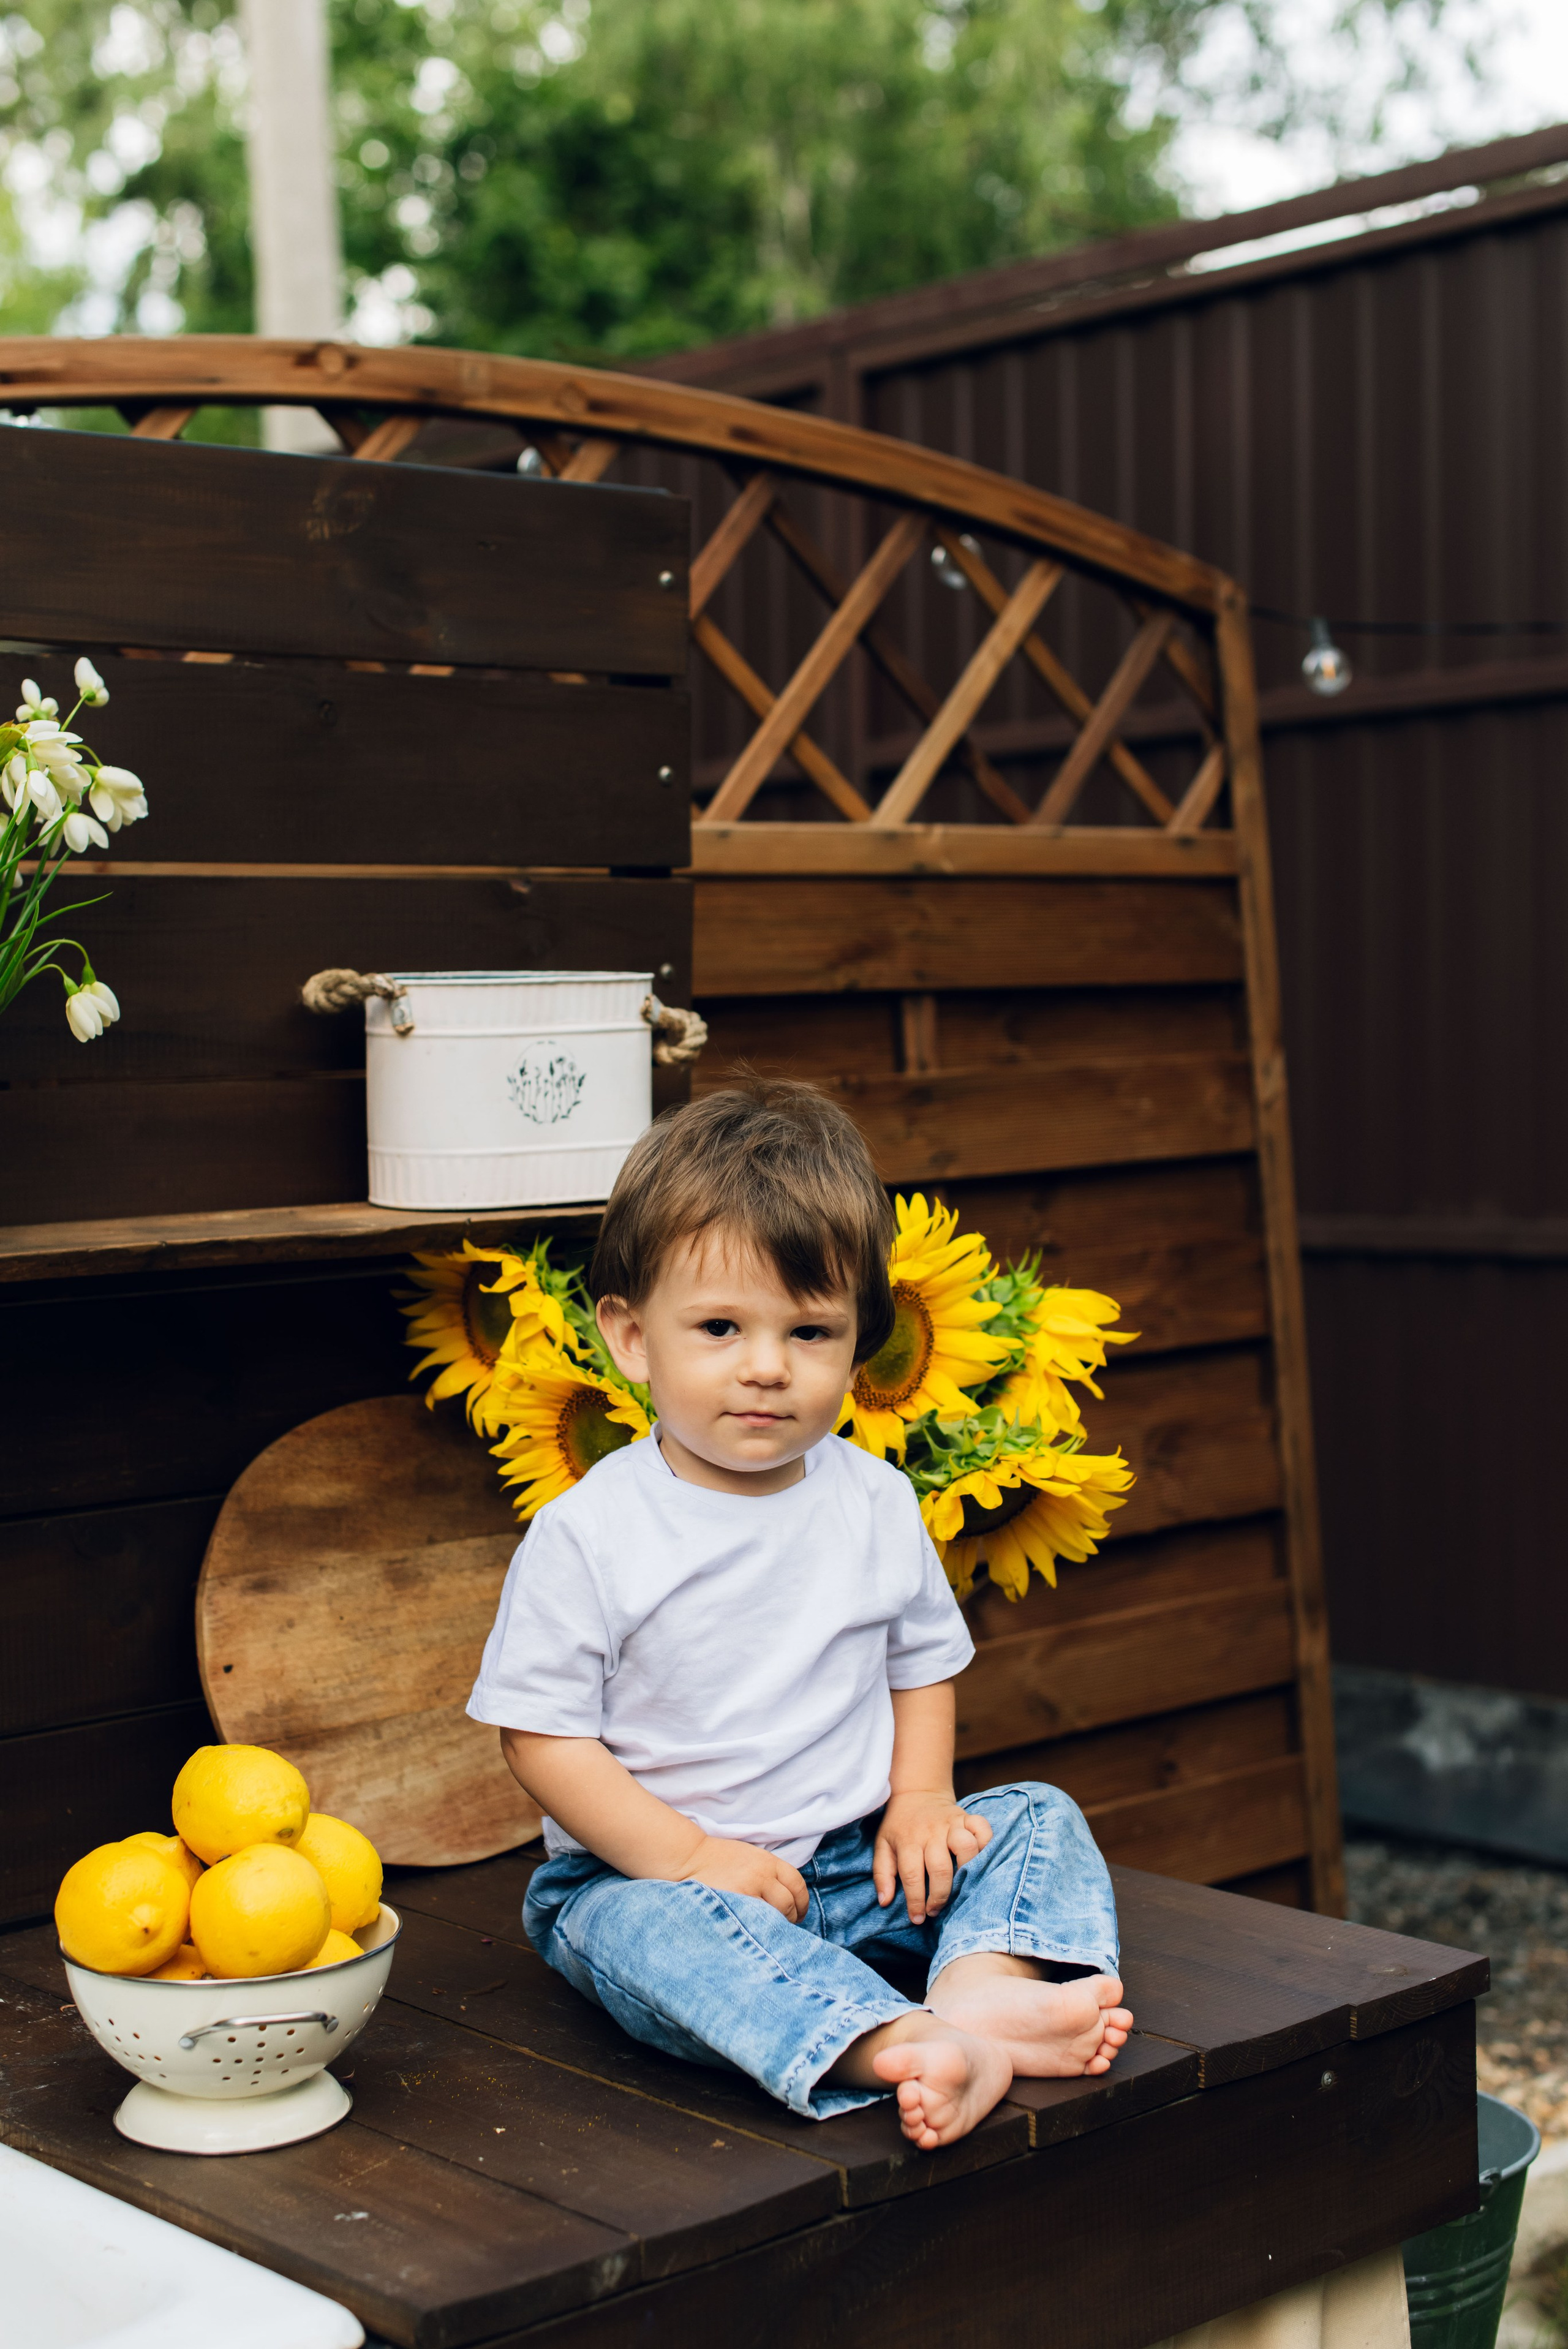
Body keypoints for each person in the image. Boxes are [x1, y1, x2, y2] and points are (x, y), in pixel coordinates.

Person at [468, 1080, 1133, 2149]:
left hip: (862, 1861)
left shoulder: (872, 1500)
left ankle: (980, 1985)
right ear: (633, 1340)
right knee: (644, 1942)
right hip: (659, 1881)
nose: (767, 1367)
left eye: (811, 1330)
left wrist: (920, 1798)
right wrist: (687, 1856)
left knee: (1036, 1816)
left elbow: (921, 1662)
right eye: (721, 1327)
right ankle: (883, 2042)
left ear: (861, 1341)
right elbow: (541, 1736)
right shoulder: (593, 1532)